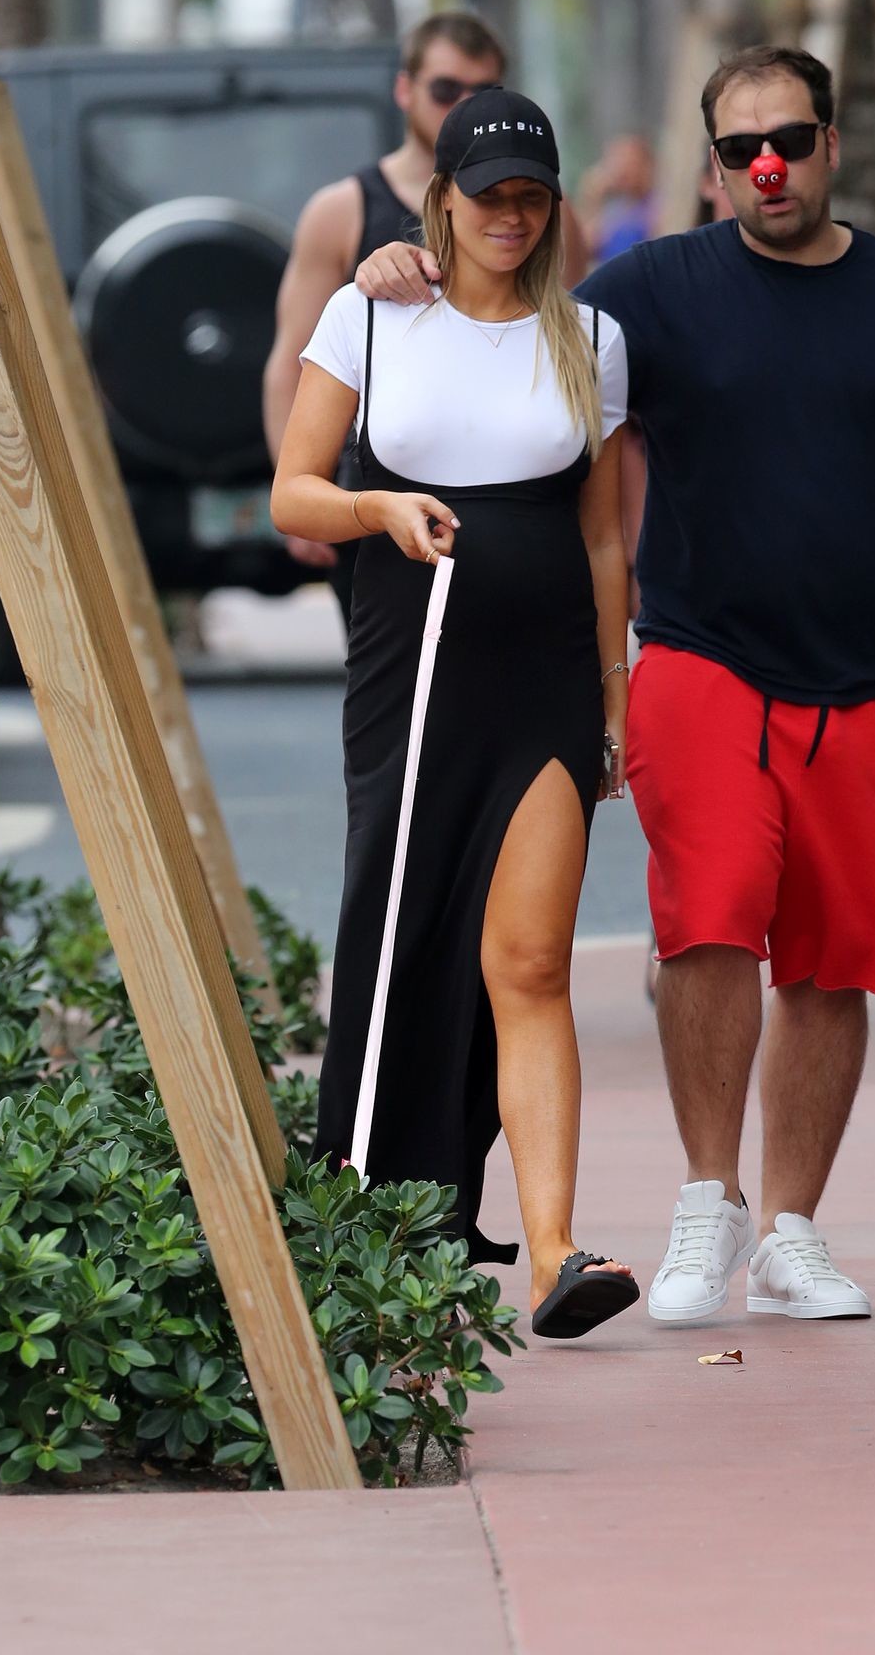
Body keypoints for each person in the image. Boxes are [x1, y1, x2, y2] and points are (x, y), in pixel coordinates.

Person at [355, 44, 875, 1326]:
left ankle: (789, 1232)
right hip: (703, 663)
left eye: (789, 139)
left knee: (831, 965)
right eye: (739, 148)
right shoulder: (647, 295)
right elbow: (508, 302)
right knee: (710, 926)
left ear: (832, 142)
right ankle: (705, 1201)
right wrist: (401, 266)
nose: (766, 165)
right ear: (714, 164)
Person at [271, 87, 638, 1340]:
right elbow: (294, 493)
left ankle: (555, 1257)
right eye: (490, 196)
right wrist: (376, 508)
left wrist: (615, 695)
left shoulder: (592, 337)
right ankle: (369, 1228)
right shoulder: (371, 317)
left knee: (530, 962)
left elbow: (604, 539)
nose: (512, 217)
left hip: (547, 682)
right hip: (413, 671)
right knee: (397, 938)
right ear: (442, 199)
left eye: (533, 197)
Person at [263, 12, 588, 630]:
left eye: (483, 91)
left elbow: (570, 340)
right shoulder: (343, 210)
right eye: (445, 89)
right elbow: (292, 361)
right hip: (377, 494)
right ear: (404, 89)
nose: (463, 104)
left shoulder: (551, 220)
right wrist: (307, 490)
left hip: (522, 507)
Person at [577, 133, 656, 263]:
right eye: (616, 162)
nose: (621, 169)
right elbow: (582, 248)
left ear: (647, 164)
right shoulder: (616, 211)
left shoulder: (656, 206)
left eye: (629, 162)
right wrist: (592, 195)